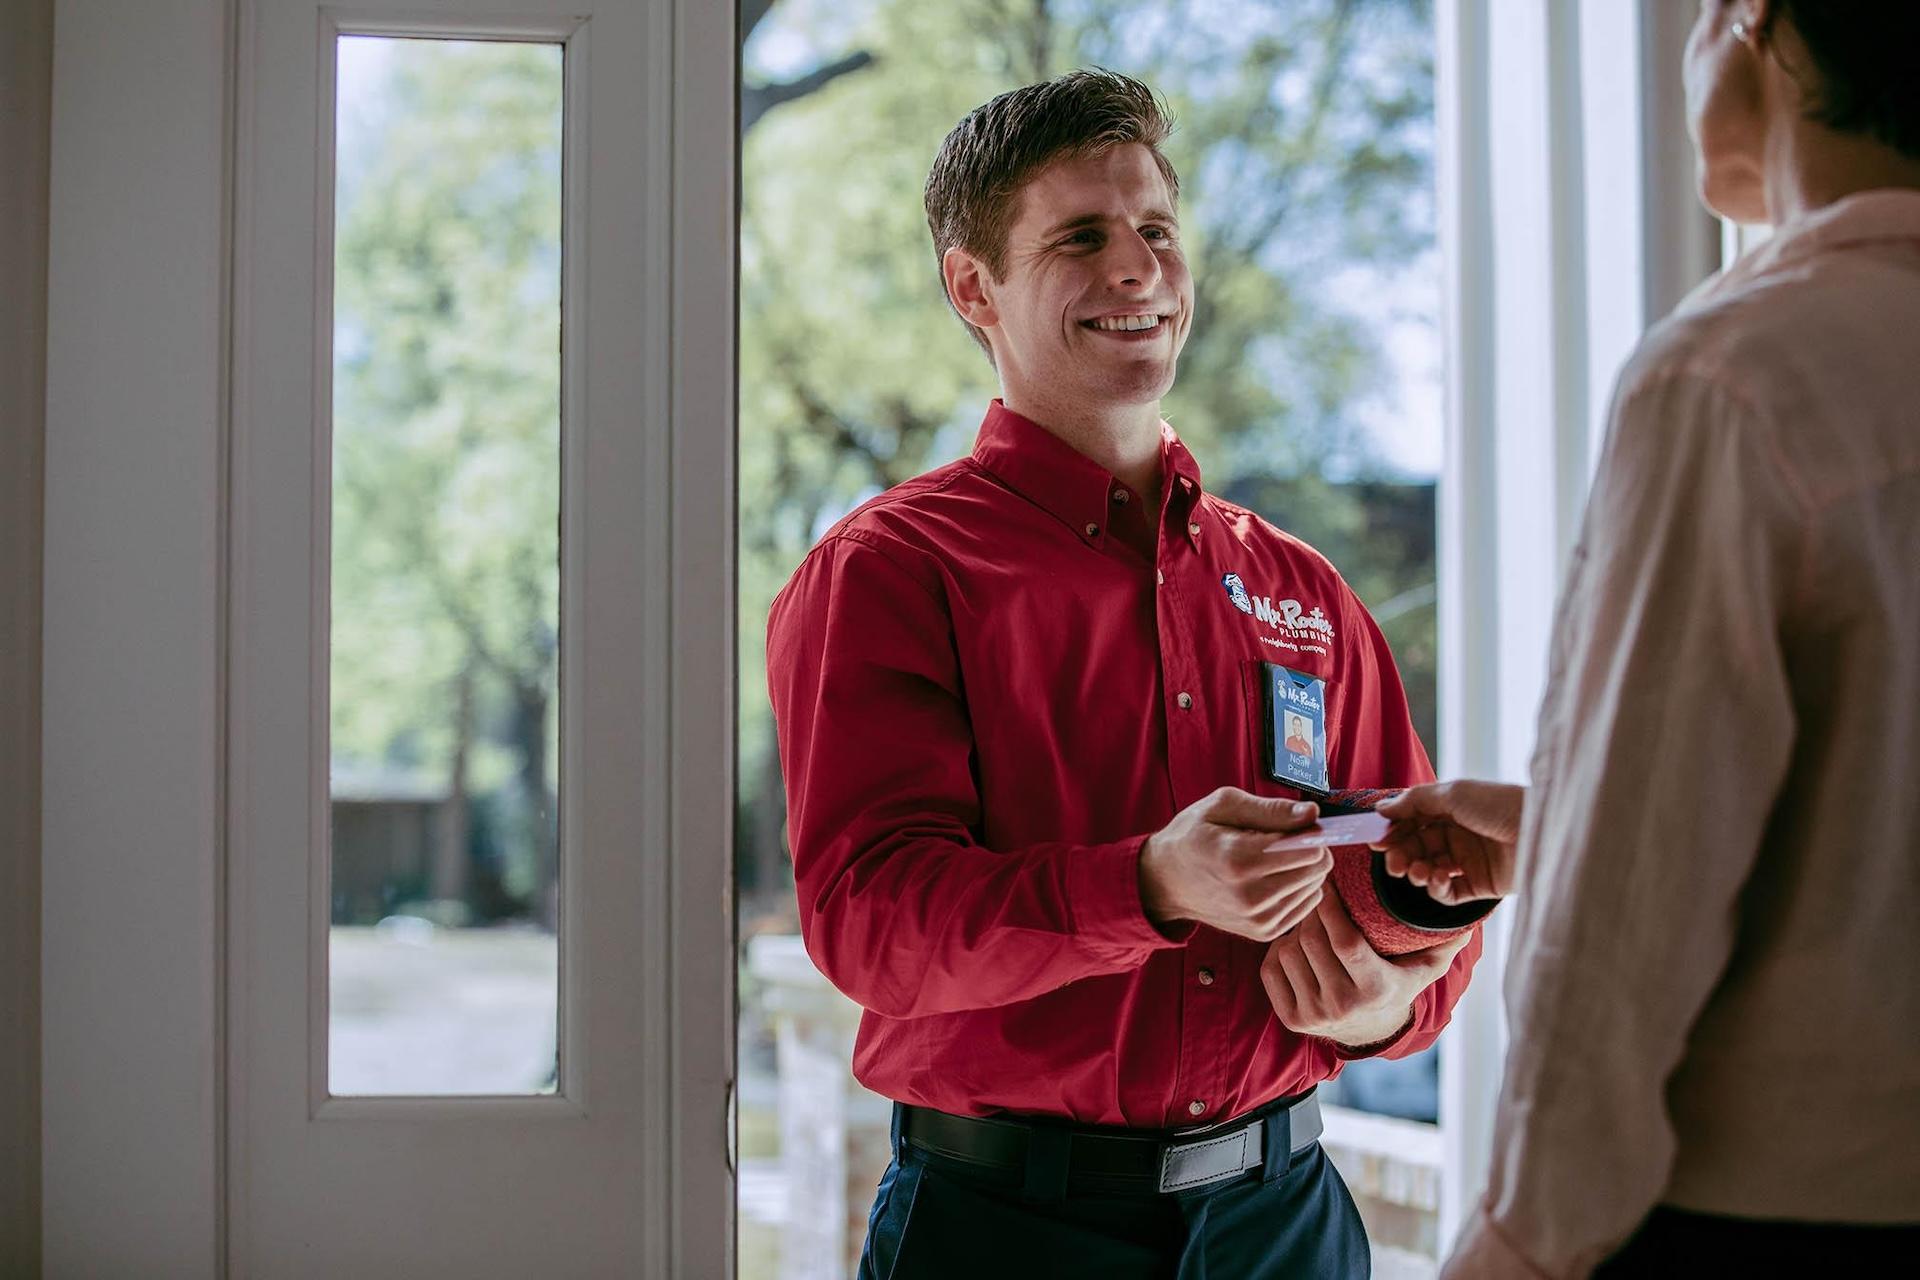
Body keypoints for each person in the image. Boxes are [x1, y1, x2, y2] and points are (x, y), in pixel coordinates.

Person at [766, 70, 1482, 1277]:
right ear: (973, 286)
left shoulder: (1305, 593)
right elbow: (871, 922)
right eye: (1082, 237)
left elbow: (1416, 903)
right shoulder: (890, 571)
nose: (1140, 269)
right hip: (1007, 1233)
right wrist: (1149, 882)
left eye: (1157, 229)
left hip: (1286, 1224)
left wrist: (1378, 1000)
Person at [1370, 2, 1920, 1274]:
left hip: (1774, 1217)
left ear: (1756, 26)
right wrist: (1564, 826)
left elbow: (1621, 937)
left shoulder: (1734, 375)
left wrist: (1516, 1241)